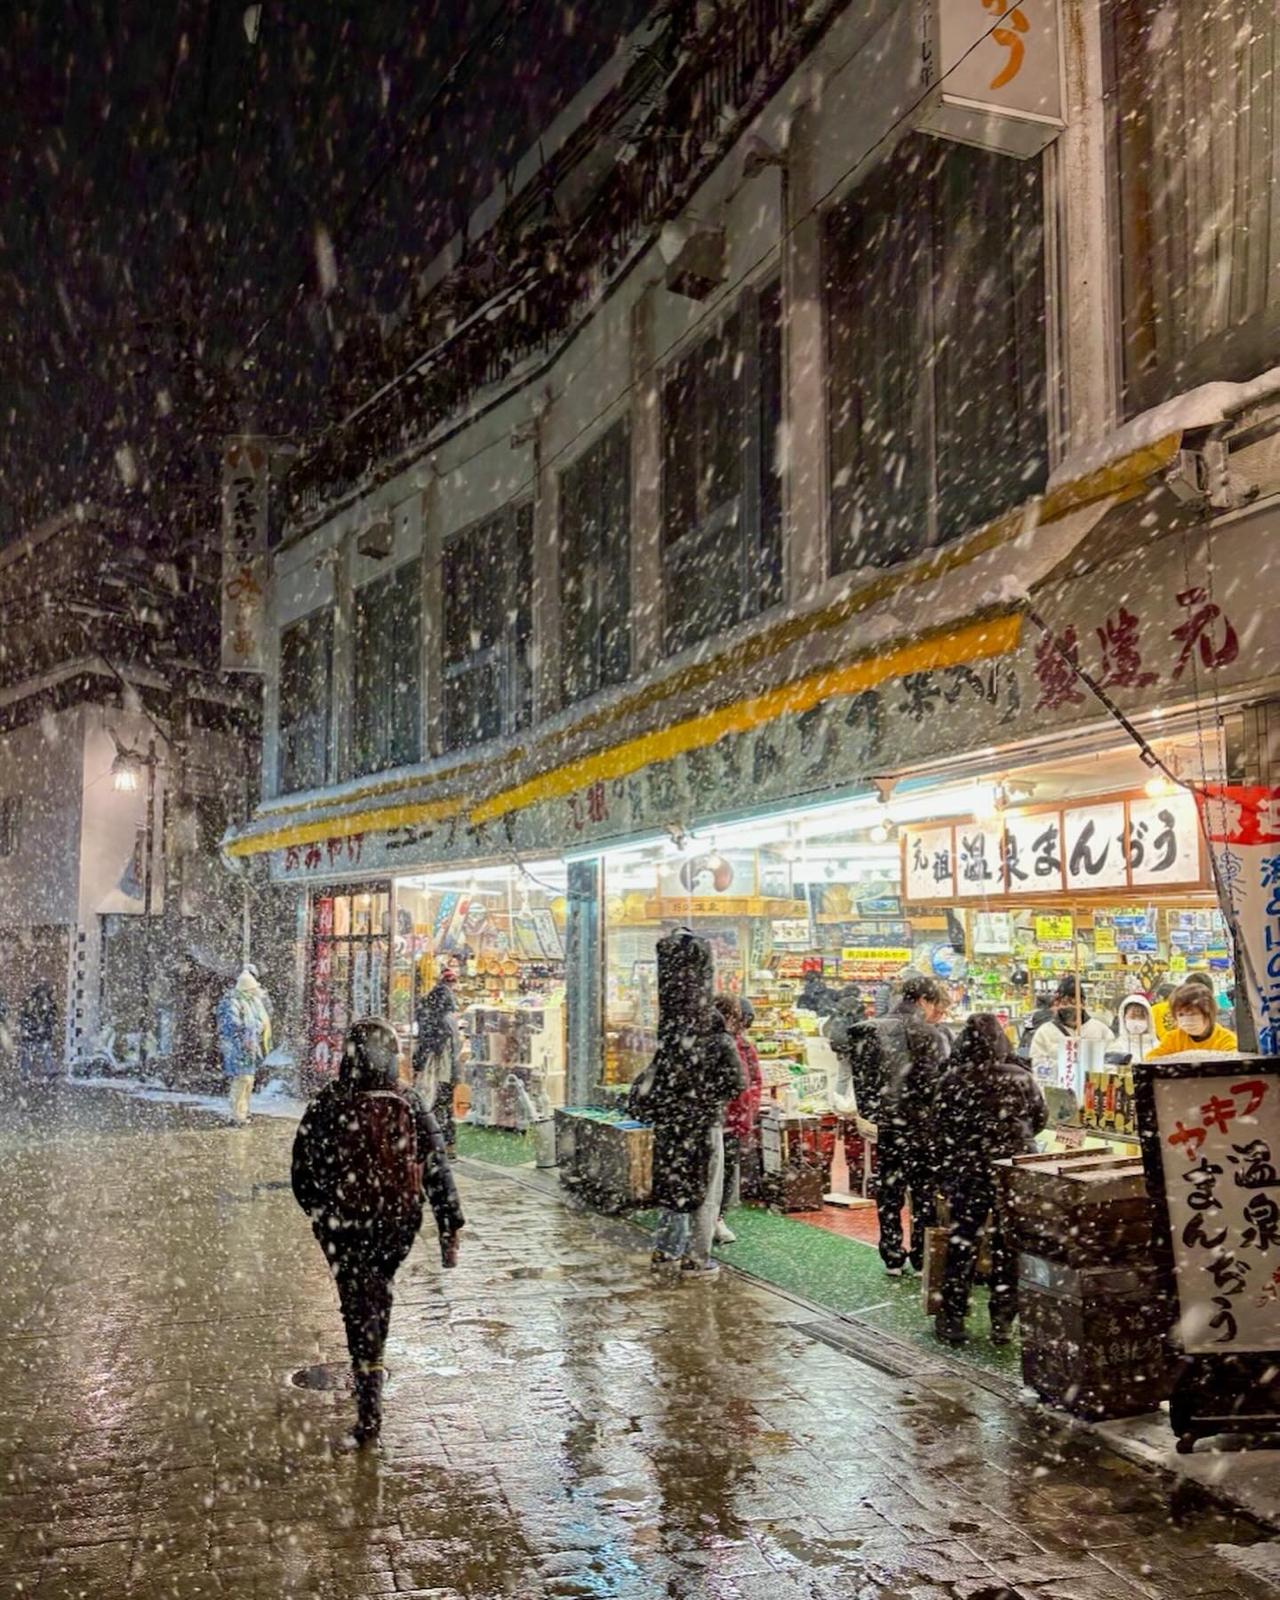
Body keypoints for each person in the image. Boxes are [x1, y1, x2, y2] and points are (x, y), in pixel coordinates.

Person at [291, 1017, 465, 1446]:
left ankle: (367, 1394)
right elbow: (438, 1169)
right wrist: (449, 1224)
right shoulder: (409, 1100)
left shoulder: (327, 1103)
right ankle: (372, 1375)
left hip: (343, 1226)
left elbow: (301, 1171)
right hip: (396, 1224)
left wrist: (321, 1213)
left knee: (355, 1299)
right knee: (378, 1290)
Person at [637, 930, 744, 1280]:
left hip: (672, 1121)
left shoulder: (670, 1033)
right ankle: (697, 1260)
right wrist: (709, 1095)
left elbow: (654, 1079)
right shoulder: (717, 1039)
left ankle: (666, 1248)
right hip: (703, 1122)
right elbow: (736, 1082)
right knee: (704, 1191)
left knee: (674, 1185)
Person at [934, 1014, 1047, 1347]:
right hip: (1011, 1170)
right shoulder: (1022, 1078)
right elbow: (1039, 1119)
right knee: (1008, 1244)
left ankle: (953, 1318)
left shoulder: (952, 1080)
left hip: (967, 1170)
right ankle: (1002, 1319)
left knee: (962, 1242)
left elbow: (939, 1128)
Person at [852, 973, 951, 1276]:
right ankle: (922, 1258)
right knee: (923, 1194)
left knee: (890, 1191)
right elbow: (940, 1084)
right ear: (923, 1001)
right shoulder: (931, 1035)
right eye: (938, 1007)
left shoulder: (875, 1027)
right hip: (923, 1127)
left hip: (889, 1125)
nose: (939, 1015)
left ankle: (892, 1255)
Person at [713, 995, 762, 1245]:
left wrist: (747, 1108)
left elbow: (754, 1081)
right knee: (710, 1172)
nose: (742, 1028)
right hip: (713, 1120)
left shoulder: (744, 1047)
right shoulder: (716, 1044)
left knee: (727, 1171)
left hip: (732, 1121)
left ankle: (718, 1217)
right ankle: (707, 1220)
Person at [413, 967, 463, 1153]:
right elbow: (452, 1048)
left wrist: (417, 1064)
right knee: (443, 1107)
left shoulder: (432, 1018)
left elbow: (426, 1045)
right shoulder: (450, 1019)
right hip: (446, 1071)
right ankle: (448, 1146)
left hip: (435, 1070)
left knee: (430, 1106)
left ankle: (432, 1145)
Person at [215, 967, 271, 1125]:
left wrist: (254, 1029)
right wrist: (248, 1030)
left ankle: (243, 1112)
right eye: (253, 988)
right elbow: (231, 1024)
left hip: (250, 1048)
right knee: (241, 1080)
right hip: (238, 1048)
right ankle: (236, 1115)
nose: (255, 991)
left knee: (248, 1080)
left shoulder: (252, 1001)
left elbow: (260, 1021)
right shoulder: (232, 1001)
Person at [1028, 979, 1112, 1077]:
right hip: (1058, 1089)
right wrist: (1066, 1066)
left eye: (1074, 1002)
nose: (1069, 1006)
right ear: (1057, 1004)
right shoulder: (1044, 1032)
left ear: (1083, 1004)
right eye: (1064, 1003)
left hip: (1091, 1087)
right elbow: (1036, 1065)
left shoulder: (1101, 1030)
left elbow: (1111, 1062)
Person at [1146, 981, 1237, 1057]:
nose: (1187, 1019)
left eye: (1193, 1013)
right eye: (1181, 1015)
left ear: (1209, 1013)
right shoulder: (1173, 1039)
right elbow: (1151, 1059)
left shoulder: (1226, 1040)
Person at [18, 983, 58, 1081]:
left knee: (45, 1052)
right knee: (28, 1053)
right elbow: (25, 1016)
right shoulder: (31, 1002)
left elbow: (51, 1018)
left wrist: (47, 1028)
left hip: (40, 1033)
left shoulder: (49, 1003)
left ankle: (49, 1071)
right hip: (33, 1032)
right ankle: (25, 1073)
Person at [1113, 993, 1156, 1062]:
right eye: (1132, 1017)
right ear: (1123, 1018)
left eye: (1141, 1017)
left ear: (1149, 1019)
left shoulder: (1158, 1048)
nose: (1136, 1021)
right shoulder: (1115, 1048)